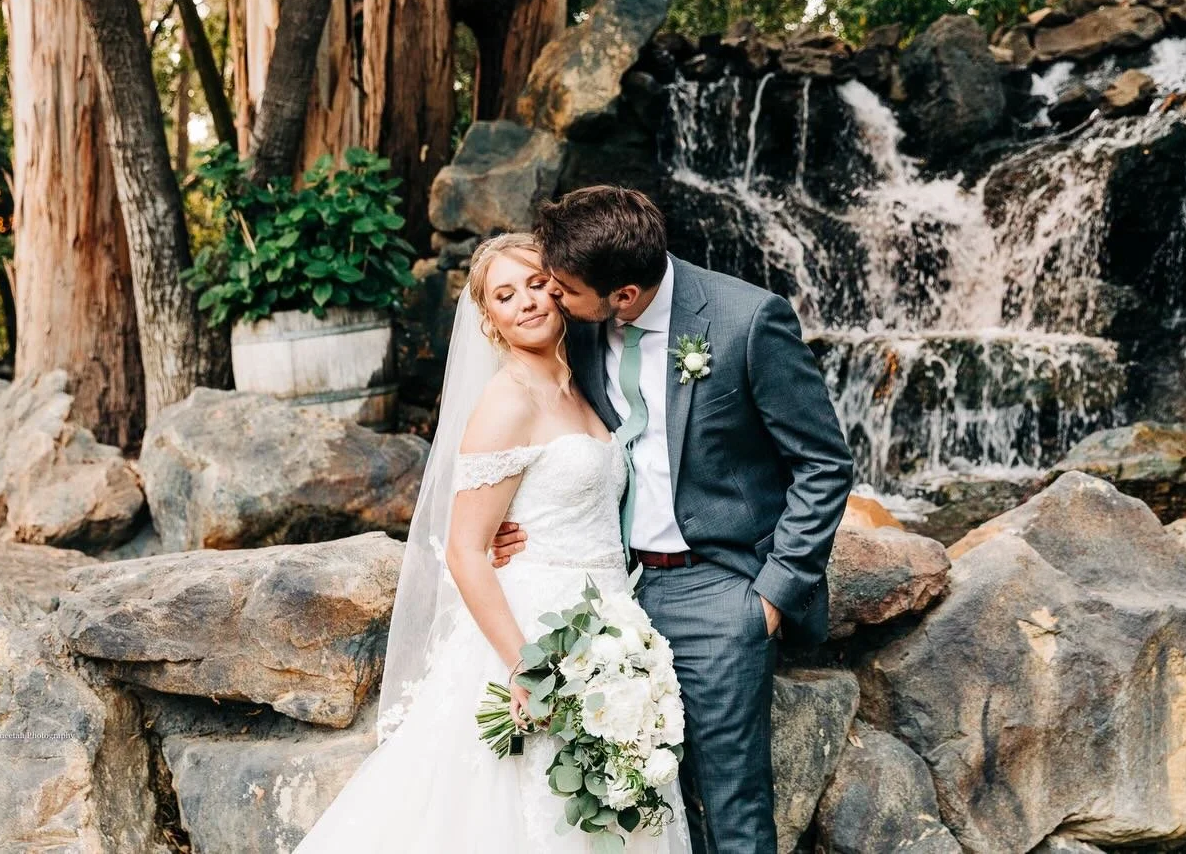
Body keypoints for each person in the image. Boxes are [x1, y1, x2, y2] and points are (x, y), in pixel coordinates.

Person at [292, 233, 691, 853]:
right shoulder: (507, 398)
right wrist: (526, 667)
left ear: (560, 292)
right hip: (536, 630)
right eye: (505, 296)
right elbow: (463, 549)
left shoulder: (582, 380)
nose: (527, 303)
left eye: (536, 285)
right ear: (490, 318)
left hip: (610, 620)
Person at [489, 186, 855, 854]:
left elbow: (824, 464)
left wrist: (771, 597)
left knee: (731, 802)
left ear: (623, 295)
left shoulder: (747, 322)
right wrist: (508, 526)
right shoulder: (580, 322)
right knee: (635, 802)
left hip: (717, 590)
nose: (550, 302)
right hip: (601, 596)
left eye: (562, 291)